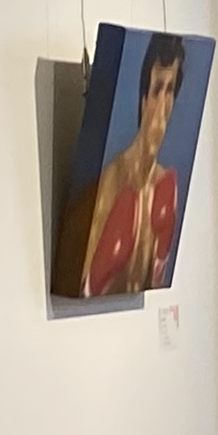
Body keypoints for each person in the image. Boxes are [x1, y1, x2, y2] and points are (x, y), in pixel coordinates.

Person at [70, 30, 189, 298]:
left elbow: (150, 289)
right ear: (144, 99)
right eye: (157, 89)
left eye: (170, 90)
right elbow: (80, 285)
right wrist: (95, 280)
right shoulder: (114, 180)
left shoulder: (164, 186)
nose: (163, 105)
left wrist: (159, 264)